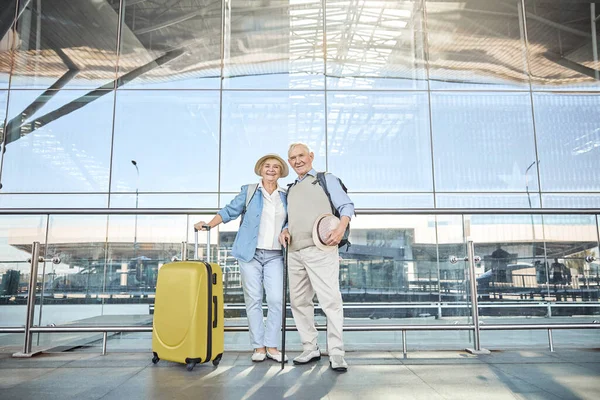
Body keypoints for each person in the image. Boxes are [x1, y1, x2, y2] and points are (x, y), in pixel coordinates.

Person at [194, 154, 289, 363]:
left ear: (281, 172)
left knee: (275, 300)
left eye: (275, 167)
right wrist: (210, 224)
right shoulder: (249, 191)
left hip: (275, 255)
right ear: (260, 169)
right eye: (267, 166)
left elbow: (293, 219)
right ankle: (259, 347)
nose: (271, 170)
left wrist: (288, 229)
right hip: (250, 253)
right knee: (253, 300)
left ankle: (272, 345)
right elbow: (229, 211)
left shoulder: (286, 194)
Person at [279, 142, 354, 372]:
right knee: (299, 302)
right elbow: (291, 218)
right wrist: (284, 229)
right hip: (294, 252)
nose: (297, 160)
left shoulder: (325, 179)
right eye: (292, 158)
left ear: (311, 156)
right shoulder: (290, 189)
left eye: (301, 155)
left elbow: (346, 206)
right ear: (289, 162)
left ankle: (337, 352)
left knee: (330, 300)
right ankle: (310, 348)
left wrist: (341, 228)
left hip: (321, 249)